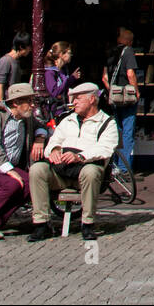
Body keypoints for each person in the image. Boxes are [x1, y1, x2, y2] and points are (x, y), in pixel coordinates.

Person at [28, 82, 120, 241]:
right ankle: (41, 224)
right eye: (73, 99)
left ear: (92, 99)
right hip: (61, 172)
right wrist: (55, 150)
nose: (73, 103)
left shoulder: (107, 122)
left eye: (78, 99)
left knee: (91, 171)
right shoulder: (68, 120)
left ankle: (88, 224)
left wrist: (81, 156)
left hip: (85, 172)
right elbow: (53, 142)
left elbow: (106, 148)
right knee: (37, 170)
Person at [0, 83, 48, 242]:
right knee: (12, 184)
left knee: (30, 183)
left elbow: (42, 127)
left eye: (33, 100)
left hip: (11, 168)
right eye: (28, 101)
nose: (32, 105)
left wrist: (40, 138)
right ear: (15, 103)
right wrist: (10, 171)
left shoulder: (26, 118)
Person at [102, 27, 139, 172]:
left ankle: (115, 165)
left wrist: (111, 90)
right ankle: (125, 168)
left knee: (116, 130)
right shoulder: (128, 51)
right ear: (129, 40)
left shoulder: (110, 52)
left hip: (114, 96)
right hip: (127, 96)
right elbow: (130, 74)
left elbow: (104, 77)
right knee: (128, 129)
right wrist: (135, 90)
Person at [0, 32, 32, 105]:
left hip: (11, 103)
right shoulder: (5, 61)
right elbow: (0, 86)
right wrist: (1, 105)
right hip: (4, 105)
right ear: (21, 47)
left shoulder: (16, 61)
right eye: (29, 47)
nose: (30, 50)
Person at [41, 41, 75, 125]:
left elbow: (64, 90)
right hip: (53, 113)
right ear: (61, 54)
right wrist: (70, 79)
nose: (71, 55)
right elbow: (54, 92)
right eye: (69, 53)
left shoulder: (62, 70)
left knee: (78, 108)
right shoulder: (50, 72)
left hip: (63, 108)